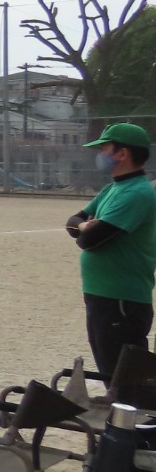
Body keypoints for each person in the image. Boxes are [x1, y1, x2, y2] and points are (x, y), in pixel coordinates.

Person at [66, 123, 156, 380]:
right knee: (113, 377)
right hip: (101, 295)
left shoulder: (137, 193)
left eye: (105, 148)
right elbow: (73, 222)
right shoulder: (112, 189)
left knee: (129, 381)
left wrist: (84, 229)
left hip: (121, 300)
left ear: (122, 154)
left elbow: (89, 240)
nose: (100, 154)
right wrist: (84, 224)